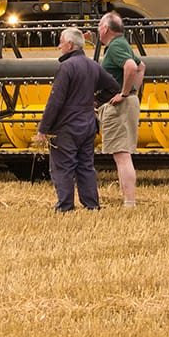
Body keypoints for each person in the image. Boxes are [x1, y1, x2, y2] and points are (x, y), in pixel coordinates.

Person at [35, 27, 118, 212]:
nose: (59, 46)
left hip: (66, 127)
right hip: (88, 124)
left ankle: (65, 207)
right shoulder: (93, 65)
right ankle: (92, 205)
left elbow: (55, 101)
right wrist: (96, 100)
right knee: (85, 166)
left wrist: (43, 129)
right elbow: (113, 87)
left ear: (70, 45)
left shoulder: (66, 67)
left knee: (63, 167)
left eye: (61, 42)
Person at [96, 12, 145, 207]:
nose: (98, 29)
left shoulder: (115, 46)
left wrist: (124, 93)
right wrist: (134, 91)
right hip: (128, 103)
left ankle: (129, 202)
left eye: (99, 26)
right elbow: (142, 67)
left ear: (106, 29)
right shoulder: (122, 44)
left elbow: (132, 67)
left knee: (122, 156)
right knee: (123, 154)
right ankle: (128, 200)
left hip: (120, 106)